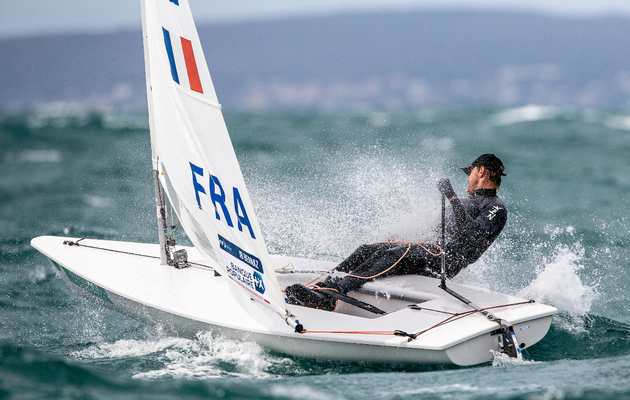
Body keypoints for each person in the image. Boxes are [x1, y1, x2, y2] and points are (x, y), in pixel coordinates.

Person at [285, 154, 508, 311]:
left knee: (397, 253)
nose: (467, 178)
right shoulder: (469, 202)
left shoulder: (496, 207)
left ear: (481, 171)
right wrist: (402, 239)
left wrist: (451, 197)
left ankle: (335, 294)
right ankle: (326, 283)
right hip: (431, 252)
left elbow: (470, 233)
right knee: (370, 249)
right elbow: (436, 232)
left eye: (470, 173)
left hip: (446, 261)